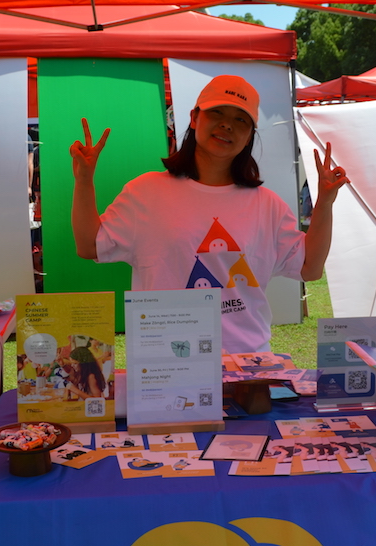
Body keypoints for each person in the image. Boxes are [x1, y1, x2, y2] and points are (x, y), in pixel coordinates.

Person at [70, 74, 347, 352]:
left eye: (241, 120)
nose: (227, 124)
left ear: (250, 136)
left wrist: (324, 203)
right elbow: (89, 245)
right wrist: (83, 181)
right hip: (165, 361)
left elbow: (310, 267)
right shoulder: (145, 192)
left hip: (246, 362)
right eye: (217, 112)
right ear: (194, 118)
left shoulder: (268, 205)